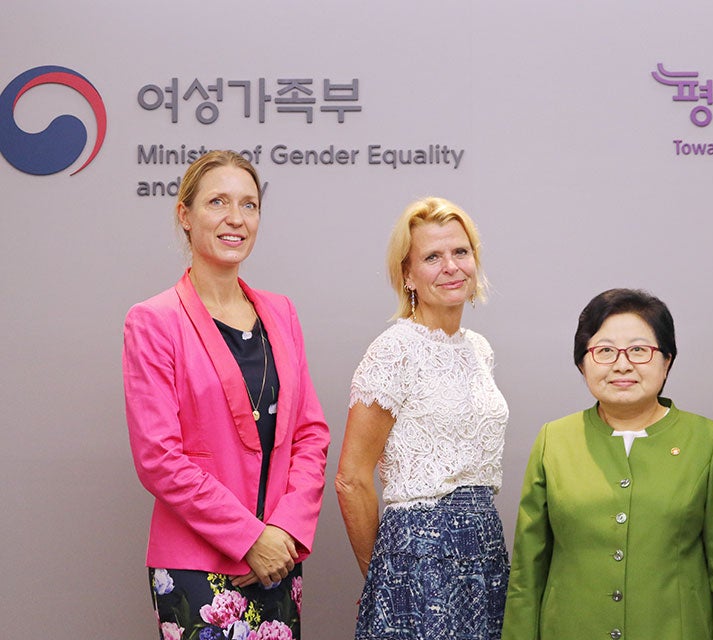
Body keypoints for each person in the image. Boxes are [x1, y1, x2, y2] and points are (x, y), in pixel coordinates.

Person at [123, 150, 330, 640]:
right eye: (218, 202)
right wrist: (248, 537)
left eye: (249, 204)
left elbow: (310, 434)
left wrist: (283, 532)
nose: (236, 219)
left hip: (278, 560)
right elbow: (158, 458)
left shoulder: (282, 313)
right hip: (198, 568)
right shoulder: (154, 321)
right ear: (185, 215)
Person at [502, 288, 713, 640]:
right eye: (604, 351)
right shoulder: (554, 441)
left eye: (639, 350)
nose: (622, 365)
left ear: (667, 361)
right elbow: (527, 574)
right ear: (582, 363)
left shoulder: (706, 441)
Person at [335, 197, 510, 640]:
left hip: (485, 546)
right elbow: (352, 478)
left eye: (460, 252)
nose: (451, 267)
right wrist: (386, 577)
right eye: (432, 257)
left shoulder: (479, 349)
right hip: (418, 557)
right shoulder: (394, 350)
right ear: (408, 274)